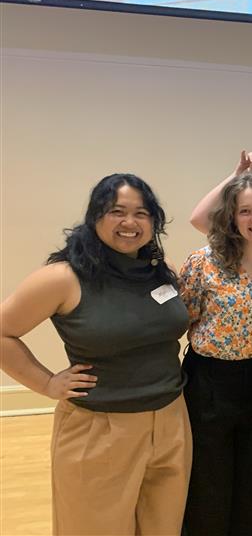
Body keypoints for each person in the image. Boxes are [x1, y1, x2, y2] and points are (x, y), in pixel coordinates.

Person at [0, 174, 191, 535]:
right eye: (117, 211)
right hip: (100, 429)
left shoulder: (159, 273)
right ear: (95, 217)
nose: (130, 223)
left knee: (162, 529)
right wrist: (46, 383)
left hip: (171, 421)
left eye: (142, 213)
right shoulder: (63, 277)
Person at [180, 173, 252, 535]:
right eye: (245, 211)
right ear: (230, 216)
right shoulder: (203, 263)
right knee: (209, 475)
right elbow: (182, 320)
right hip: (209, 382)